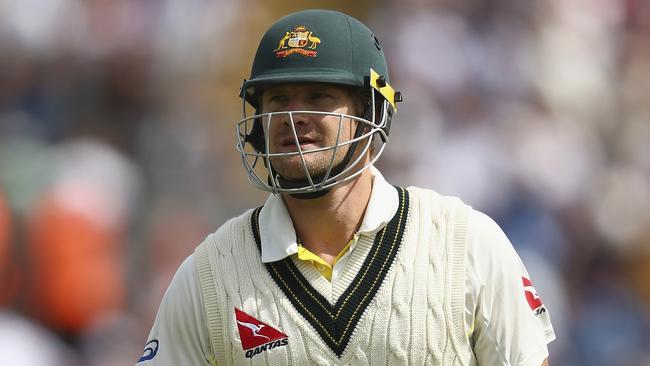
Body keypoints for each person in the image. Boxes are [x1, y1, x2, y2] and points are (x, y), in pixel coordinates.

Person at [137, 9, 555, 366]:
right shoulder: (209, 273)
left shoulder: (465, 242)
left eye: (318, 96)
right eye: (277, 99)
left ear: (371, 111)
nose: (292, 115)